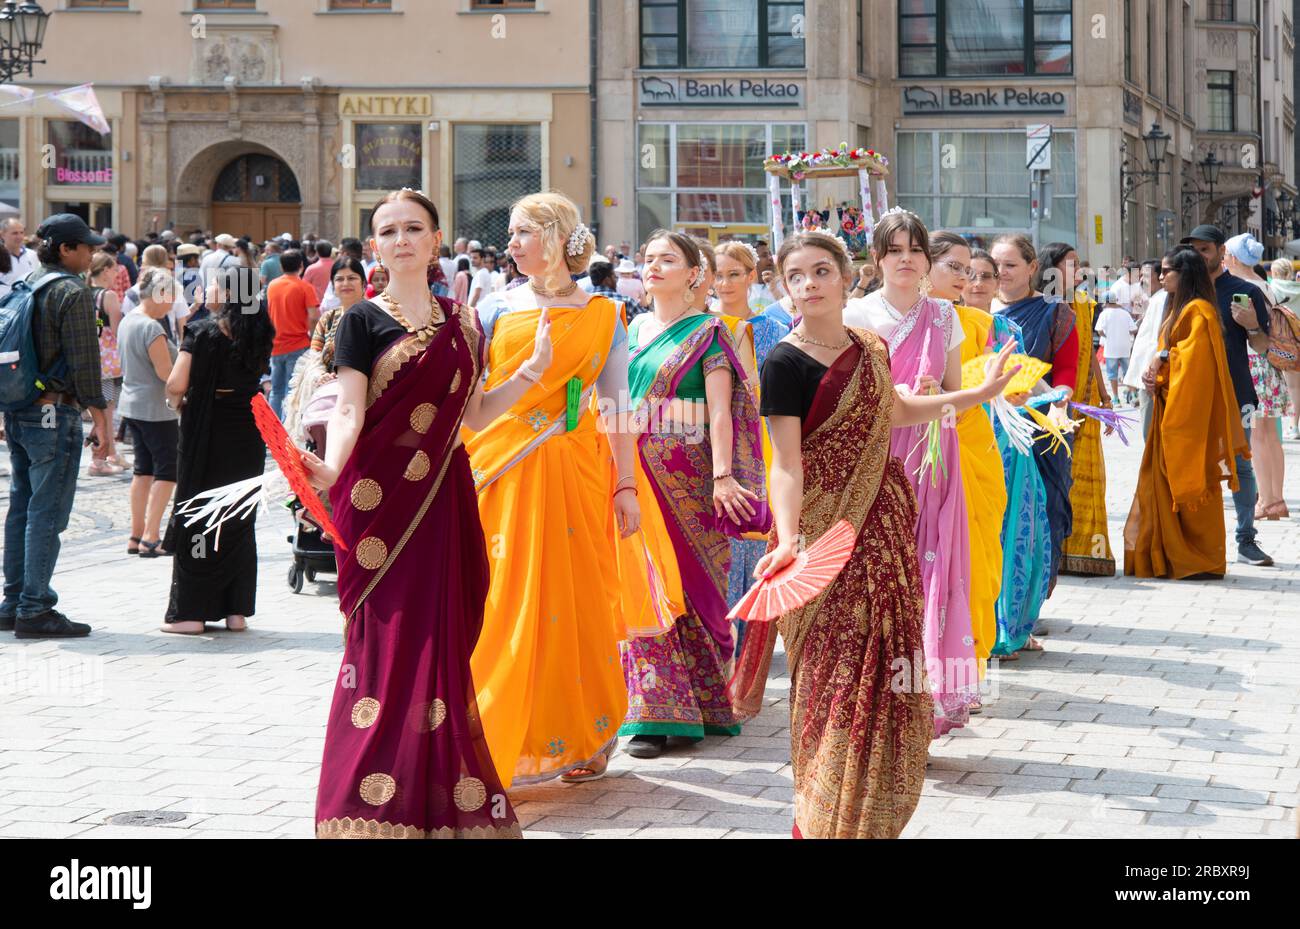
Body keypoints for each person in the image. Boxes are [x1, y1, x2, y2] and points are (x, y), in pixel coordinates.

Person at [730, 230, 1019, 837]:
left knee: (890, 662)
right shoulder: (782, 360)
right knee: (833, 671)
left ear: (846, 277)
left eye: (821, 272)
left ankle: (874, 812)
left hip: (886, 520)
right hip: (824, 534)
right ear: (784, 288)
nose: (809, 284)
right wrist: (787, 540)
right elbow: (784, 463)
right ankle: (823, 812)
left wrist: (980, 394)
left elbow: (898, 411)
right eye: (796, 276)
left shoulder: (871, 347)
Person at [303, 189, 523, 839]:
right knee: (384, 648)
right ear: (376, 245)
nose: (401, 239)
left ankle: (436, 796)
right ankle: (365, 806)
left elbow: (475, 413)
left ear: (435, 239)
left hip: (443, 499)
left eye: (413, 228)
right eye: (387, 230)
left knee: (440, 646)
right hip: (378, 504)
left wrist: (532, 375)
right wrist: (334, 466)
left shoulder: (465, 321)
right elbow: (348, 408)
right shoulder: (362, 321)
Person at [466, 192, 640, 786]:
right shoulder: (493, 308)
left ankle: (588, 733)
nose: (510, 245)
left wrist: (625, 485)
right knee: (501, 602)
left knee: (580, 600)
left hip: (576, 472)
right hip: (500, 470)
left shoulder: (605, 314)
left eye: (520, 233)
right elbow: (471, 401)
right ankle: (493, 733)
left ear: (555, 235)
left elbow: (616, 407)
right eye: (510, 234)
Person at [614, 230, 766, 759]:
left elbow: (723, 411)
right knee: (643, 581)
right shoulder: (629, 330)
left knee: (693, 584)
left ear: (693, 273)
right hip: (633, 472)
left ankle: (699, 705)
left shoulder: (711, 332)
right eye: (648, 257)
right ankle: (652, 714)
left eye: (667, 259)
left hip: (692, 477)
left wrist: (724, 475)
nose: (653, 266)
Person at [844, 211, 977, 733]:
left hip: (932, 457)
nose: (905, 258)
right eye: (894, 249)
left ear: (927, 259)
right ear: (877, 258)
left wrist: (933, 399)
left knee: (930, 572)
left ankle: (924, 701)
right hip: (875, 457)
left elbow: (959, 400)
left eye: (915, 250)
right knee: (877, 573)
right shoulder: (856, 314)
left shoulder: (945, 318)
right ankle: (872, 700)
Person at [1, 215, 109, 639]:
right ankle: (35, 608)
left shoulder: (26, 285)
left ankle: (13, 602)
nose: (92, 253)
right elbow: (86, 365)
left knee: (22, 508)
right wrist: (100, 417)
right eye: (86, 246)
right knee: (47, 513)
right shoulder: (72, 292)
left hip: (22, 408)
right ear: (66, 249)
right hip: (54, 412)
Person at [1125, 246, 1248, 579]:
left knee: (1193, 481)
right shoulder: (1177, 309)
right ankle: (1168, 555)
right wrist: (1157, 366)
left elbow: (1194, 368)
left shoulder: (1199, 312)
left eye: (1168, 271)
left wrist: (1161, 368)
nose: (1161, 276)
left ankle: (1200, 559)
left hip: (1189, 416)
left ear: (1186, 274)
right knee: (1162, 482)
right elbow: (1173, 353)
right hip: (1169, 407)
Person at [162, 267, 273, 634]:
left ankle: (191, 612)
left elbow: (177, 382)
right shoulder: (259, 330)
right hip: (246, 430)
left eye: (213, 284)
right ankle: (235, 610)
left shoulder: (203, 330)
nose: (206, 288)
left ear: (226, 293)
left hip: (207, 431)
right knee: (238, 518)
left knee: (198, 515)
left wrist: (173, 401)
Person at [926, 231, 1007, 683]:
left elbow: (978, 387)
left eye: (969, 270)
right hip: (920, 443)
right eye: (953, 268)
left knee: (979, 553)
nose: (964, 278)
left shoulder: (975, 323)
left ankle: (968, 662)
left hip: (974, 439)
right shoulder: (878, 316)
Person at [1178, 224, 1273, 567]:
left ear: (1221, 251)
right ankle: (1196, 539)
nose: (1199, 256)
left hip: (1236, 393)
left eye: (1205, 249)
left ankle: (1246, 539)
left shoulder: (1243, 291)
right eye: (1195, 250)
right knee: (1191, 464)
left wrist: (1251, 324)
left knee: (1241, 465)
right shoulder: (1183, 290)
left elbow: (1263, 347)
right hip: (1191, 396)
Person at [991, 234, 1079, 595]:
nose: (1000, 272)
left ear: (1032, 268)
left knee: (1041, 514)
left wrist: (1058, 404)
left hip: (1041, 427)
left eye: (1010, 264)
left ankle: (1031, 599)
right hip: (989, 429)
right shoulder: (979, 310)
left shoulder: (1054, 312)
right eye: (995, 264)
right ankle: (996, 606)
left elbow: (1066, 374)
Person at [713, 240, 790, 625]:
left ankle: (752, 634)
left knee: (755, 527)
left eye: (734, 274)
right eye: (719, 274)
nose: (725, 283)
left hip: (762, 439)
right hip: (709, 439)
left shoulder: (774, 330)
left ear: (750, 277)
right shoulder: (702, 325)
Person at [1041, 242, 1116, 579]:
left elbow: (1091, 352)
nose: (1078, 271)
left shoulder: (1084, 304)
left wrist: (1105, 396)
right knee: (1058, 481)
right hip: (1055, 407)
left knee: (1089, 479)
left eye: (1077, 264)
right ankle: (1056, 551)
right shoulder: (1045, 306)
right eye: (1069, 264)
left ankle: (1086, 551)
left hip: (1086, 408)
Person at [1224, 234, 1290, 521]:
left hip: (1254, 363)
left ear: (1234, 258)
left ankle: (1265, 499)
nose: (1224, 260)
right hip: (1271, 364)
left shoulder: (1244, 288)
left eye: (1225, 255)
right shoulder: (1265, 284)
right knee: (1271, 436)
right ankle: (1277, 498)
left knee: (1258, 437)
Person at [117, 267, 181, 561]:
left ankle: (136, 533)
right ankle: (151, 536)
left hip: (132, 404)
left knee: (143, 470)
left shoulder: (128, 320)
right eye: (171, 297)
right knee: (168, 471)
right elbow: (166, 373)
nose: (172, 304)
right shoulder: (151, 328)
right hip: (156, 409)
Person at [267, 249, 321, 421]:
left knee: (276, 389)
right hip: (299, 344)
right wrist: (313, 336)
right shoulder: (305, 287)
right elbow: (313, 316)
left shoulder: (272, 285)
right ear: (301, 266)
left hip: (276, 344)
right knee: (294, 390)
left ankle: (274, 427)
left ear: (281, 266)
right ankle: (290, 427)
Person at [86, 252, 126, 476]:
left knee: (100, 412)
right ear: (105, 271)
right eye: (113, 270)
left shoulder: (85, 292)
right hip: (108, 362)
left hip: (89, 358)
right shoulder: (108, 296)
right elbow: (118, 331)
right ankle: (99, 460)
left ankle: (107, 454)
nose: (116, 274)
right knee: (106, 411)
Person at [1267, 258, 1300, 439]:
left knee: (1276, 384)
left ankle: (1279, 426)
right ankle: (1294, 426)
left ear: (1274, 272)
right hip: (1298, 341)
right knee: (1296, 386)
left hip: (1279, 344)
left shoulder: (1271, 288)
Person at [1097, 297, 1137, 404]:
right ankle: (1134, 395)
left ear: (1106, 302)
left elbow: (1099, 330)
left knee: (1112, 374)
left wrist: (1107, 336)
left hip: (1111, 348)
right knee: (1128, 372)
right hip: (1125, 347)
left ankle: (1116, 398)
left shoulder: (1104, 314)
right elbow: (1133, 329)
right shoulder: (1125, 313)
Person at [0, 218, 40, 300]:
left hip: (27, 306)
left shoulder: (33, 255)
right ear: (2, 235)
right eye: (14, 233)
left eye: (21, 232)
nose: (19, 236)